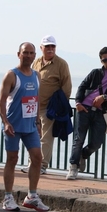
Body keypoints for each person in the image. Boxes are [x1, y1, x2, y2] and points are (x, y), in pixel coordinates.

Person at [0, 42, 49, 212]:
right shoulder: (11, 75)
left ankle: (32, 196)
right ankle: (7, 197)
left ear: (35, 55)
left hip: (30, 126)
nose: (28, 55)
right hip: (13, 126)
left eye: (31, 53)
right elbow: (2, 100)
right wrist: (5, 122)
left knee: (37, 158)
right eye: (25, 52)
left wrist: (37, 121)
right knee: (12, 159)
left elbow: (35, 99)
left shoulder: (36, 75)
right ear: (18, 54)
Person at [66, 47, 107, 180]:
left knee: (97, 143)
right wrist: (78, 103)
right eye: (105, 60)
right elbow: (82, 86)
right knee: (78, 138)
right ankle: (73, 167)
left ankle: (83, 155)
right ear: (101, 61)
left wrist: (104, 97)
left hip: (100, 112)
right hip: (84, 109)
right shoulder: (96, 73)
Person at [21, 35, 72, 174]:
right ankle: (31, 164)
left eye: (53, 46)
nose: (50, 49)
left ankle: (41, 165)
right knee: (32, 136)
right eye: (47, 46)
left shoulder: (61, 64)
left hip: (49, 108)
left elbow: (66, 87)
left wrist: (60, 107)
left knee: (45, 138)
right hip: (33, 106)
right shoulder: (36, 62)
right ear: (41, 48)